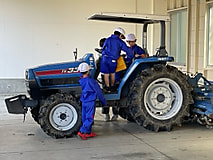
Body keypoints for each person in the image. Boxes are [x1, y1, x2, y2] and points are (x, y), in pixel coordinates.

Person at [77, 62, 107, 140]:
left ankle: (88, 132)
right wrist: (103, 101)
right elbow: (98, 92)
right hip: (90, 101)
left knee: (84, 117)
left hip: (84, 100)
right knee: (90, 118)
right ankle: (82, 131)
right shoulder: (91, 81)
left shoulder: (81, 80)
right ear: (88, 71)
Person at [101, 27, 134, 92]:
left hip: (104, 59)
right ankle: (112, 87)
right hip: (112, 60)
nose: (122, 38)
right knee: (113, 73)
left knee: (106, 74)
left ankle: (107, 87)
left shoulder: (107, 39)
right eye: (122, 37)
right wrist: (132, 55)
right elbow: (127, 50)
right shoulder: (120, 42)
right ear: (120, 35)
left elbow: (103, 48)